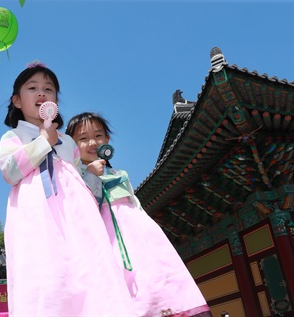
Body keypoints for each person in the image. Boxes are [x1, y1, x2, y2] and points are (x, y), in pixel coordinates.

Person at [0, 62, 137, 316]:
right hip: (37, 214)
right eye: (33, 88)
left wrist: (92, 174)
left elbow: (79, 180)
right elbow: (10, 172)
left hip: (75, 213)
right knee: (45, 270)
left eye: (49, 89)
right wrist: (42, 142)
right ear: (17, 101)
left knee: (86, 265)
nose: (42, 93)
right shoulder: (13, 137)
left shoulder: (68, 141)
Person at [65, 112, 212, 317]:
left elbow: (136, 204)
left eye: (98, 136)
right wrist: (91, 176)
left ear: (107, 140)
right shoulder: (74, 176)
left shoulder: (120, 173)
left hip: (138, 233)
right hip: (107, 236)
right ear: (72, 146)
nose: (92, 142)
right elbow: (84, 208)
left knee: (153, 276)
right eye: (83, 138)